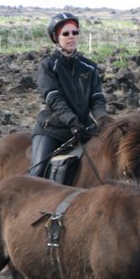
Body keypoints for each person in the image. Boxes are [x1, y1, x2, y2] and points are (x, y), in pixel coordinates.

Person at [28, 12, 109, 178]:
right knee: (37, 173)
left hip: (84, 129)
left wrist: (102, 119)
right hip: (53, 130)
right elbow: (54, 99)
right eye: (66, 33)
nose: (71, 36)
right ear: (56, 37)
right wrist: (73, 122)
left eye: (75, 32)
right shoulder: (48, 66)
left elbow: (97, 99)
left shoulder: (89, 67)